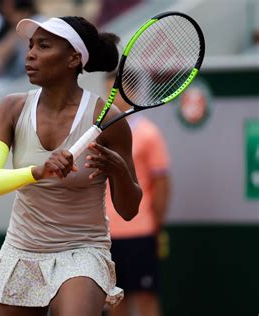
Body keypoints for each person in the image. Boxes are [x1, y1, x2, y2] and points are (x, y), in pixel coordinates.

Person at [0, 16, 143, 315]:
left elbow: (129, 210)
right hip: (22, 248)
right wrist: (37, 171)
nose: (30, 54)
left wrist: (119, 171)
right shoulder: (11, 108)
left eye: (44, 46)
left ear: (73, 59)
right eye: (31, 45)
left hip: (82, 252)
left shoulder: (107, 118)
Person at [104, 71, 171, 316]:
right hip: (106, 235)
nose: (110, 99)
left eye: (116, 92)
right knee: (115, 302)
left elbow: (162, 182)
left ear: (131, 93)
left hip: (140, 232)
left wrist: (155, 224)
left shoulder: (148, 134)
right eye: (108, 92)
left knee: (145, 300)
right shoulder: (102, 133)